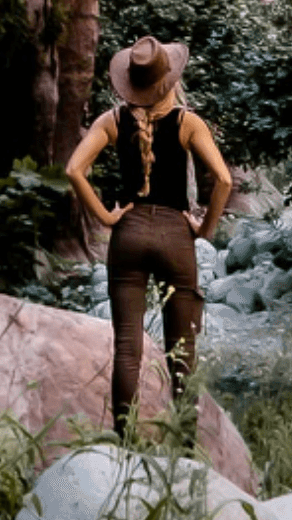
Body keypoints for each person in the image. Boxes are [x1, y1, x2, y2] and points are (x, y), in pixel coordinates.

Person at [63, 36, 233, 438]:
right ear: (168, 80)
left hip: (128, 235)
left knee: (127, 348)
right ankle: (185, 448)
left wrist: (106, 215)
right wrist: (204, 229)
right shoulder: (188, 122)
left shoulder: (111, 121)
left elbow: (74, 170)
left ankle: (124, 443)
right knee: (184, 352)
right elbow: (223, 179)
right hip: (176, 236)